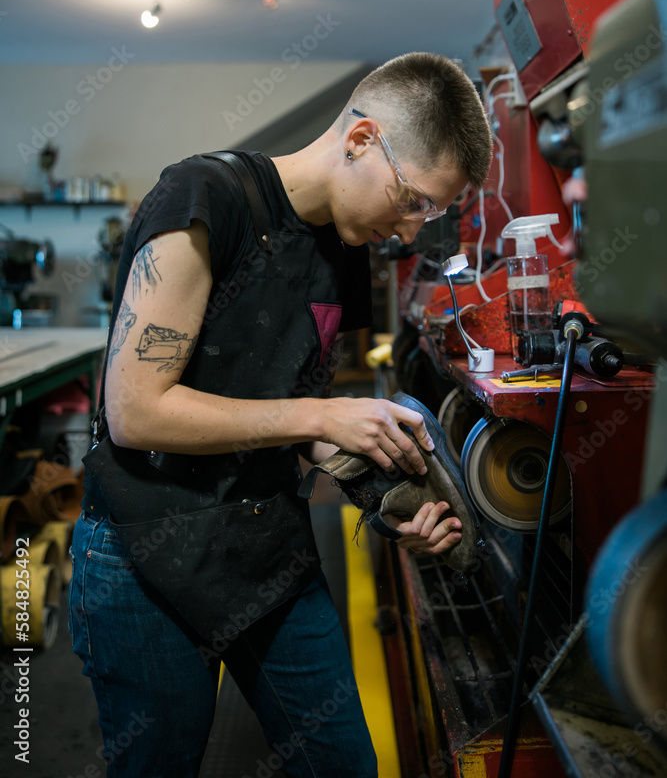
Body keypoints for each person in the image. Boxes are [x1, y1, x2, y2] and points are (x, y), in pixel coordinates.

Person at [69, 51, 493, 778]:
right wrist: (321, 418)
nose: (409, 229)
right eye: (412, 199)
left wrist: (388, 495)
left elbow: (294, 424)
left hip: (266, 549)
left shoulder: (343, 250)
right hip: (144, 557)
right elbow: (136, 411)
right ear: (361, 140)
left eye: (429, 213)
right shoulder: (205, 198)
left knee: (345, 765)